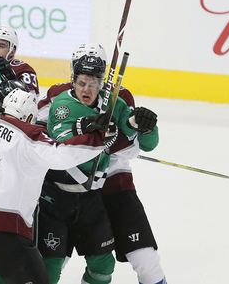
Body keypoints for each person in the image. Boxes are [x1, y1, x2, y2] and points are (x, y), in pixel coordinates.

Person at [0, 88, 111, 284]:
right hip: (3, 229)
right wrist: (98, 137)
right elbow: (62, 154)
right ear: (30, 116)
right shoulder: (30, 133)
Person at [37, 43, 167, 284]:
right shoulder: (59, 97)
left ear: (103, 76)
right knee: (53, 262)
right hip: (62, 190)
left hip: (108, 186)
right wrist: (86, 131)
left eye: (94, 80)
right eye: (82, 81)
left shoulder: (118, 99)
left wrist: (141, 126)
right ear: (73, 73)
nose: (87, 88)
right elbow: (46, 136)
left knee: (139, 260)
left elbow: (138, 145)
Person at [0, 26, 39, 95]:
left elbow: (31, 99)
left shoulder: (22, 69)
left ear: (12, 51)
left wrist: (12, 80)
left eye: (1, 46)